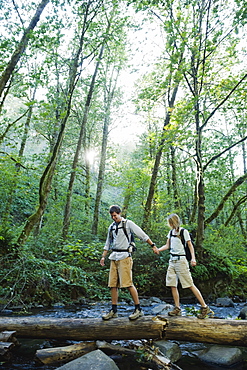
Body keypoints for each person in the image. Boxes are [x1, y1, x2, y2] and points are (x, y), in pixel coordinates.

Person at [100, 205, 158, 320]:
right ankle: (114, 310)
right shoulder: (111, 227)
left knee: (128, 283)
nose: (113, 218)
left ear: (119, 213)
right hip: (114, 257)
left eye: (115, 215)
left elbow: (142, 234)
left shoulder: (128, 224)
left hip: (125, 257)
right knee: (112, 285)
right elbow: (108, 243)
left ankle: (138, 309)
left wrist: (153, 245)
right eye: (112, 216)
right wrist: (103, 257)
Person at [154, 213, 214, 319]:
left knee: (189, 284)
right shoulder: (171, 232)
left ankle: (205, 307)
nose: (170, 225)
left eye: (171, 223)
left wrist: (193, 258)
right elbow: (167, 245)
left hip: (181, 260)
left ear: (174, 222)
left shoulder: (183, 231)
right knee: (172, 284)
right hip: (172, 260)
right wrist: (158, 249)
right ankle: (177, 308)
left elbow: (190, 245)